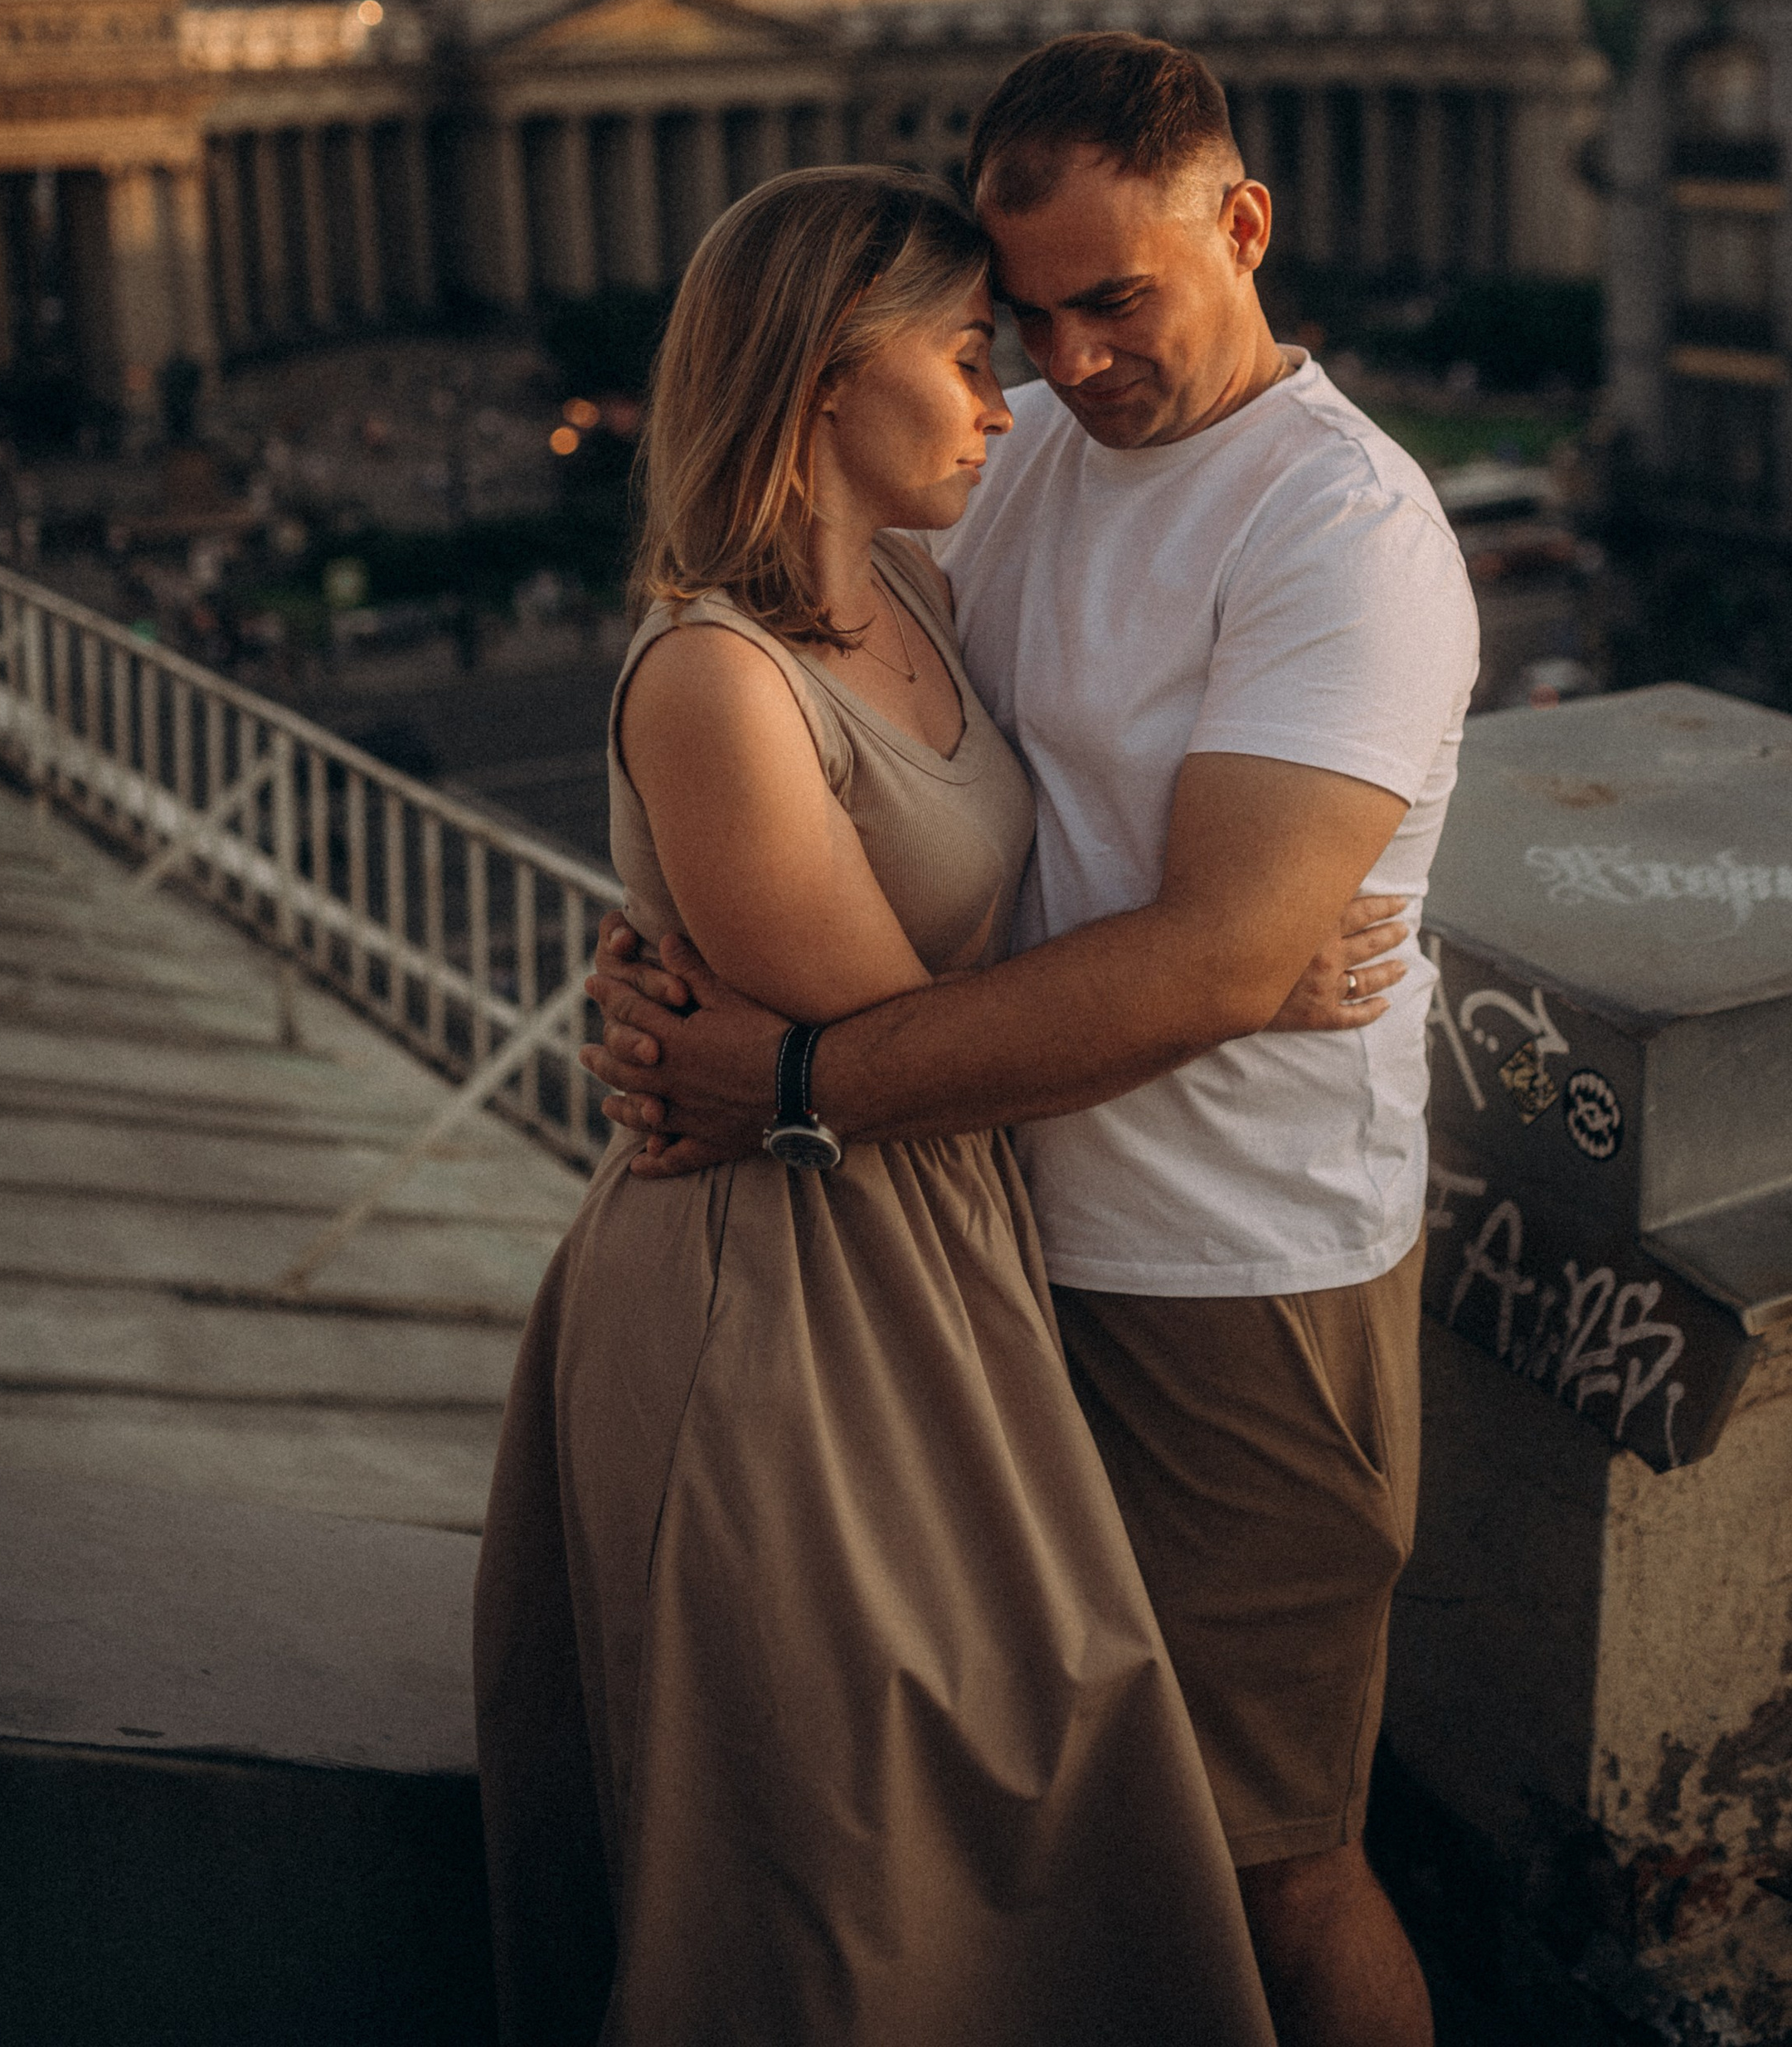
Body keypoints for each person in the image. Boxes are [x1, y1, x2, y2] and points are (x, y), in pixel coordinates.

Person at [589, 36, 1479, 2047]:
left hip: (1222, 1276)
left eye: (1115, 300)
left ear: (1239, 225)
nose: (1064, 363)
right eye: (1025, 318)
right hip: (972, 1253)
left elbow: (1211, 963)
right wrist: (665, 936)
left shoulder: (1340, 532)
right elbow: (809, 718)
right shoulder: (1016, 462)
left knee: (1270, 1867)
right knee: (1043, 1847)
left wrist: (791, 1082)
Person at [476, 162, 1328, 2047]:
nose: (1006, 399)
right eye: (963, 355)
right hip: (774, 1309)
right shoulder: (716, 679)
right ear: (812, 388)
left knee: (992, 1798)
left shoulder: (925, 590)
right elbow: (904, 1042)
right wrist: (1228, 979)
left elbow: (986, 952)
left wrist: (1229, 936)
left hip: (923, 1259)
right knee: (837, 1861)